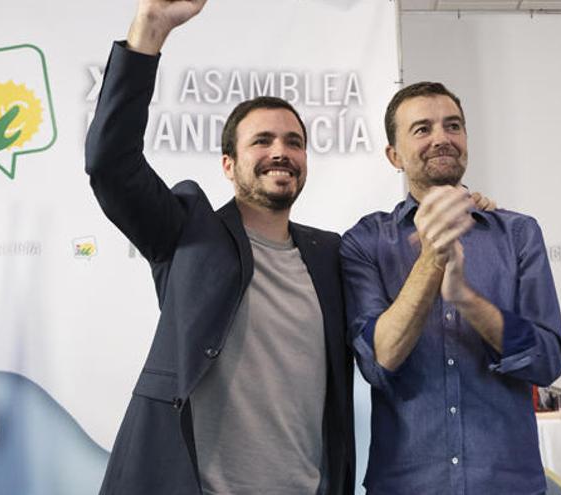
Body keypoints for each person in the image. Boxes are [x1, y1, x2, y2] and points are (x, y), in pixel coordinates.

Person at [84, 1, 354, 493]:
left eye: (294, 142)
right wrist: (149, 31)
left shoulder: (332, 254)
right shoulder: (186, 229)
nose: (281, 151)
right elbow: (110, 163)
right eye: (263, 140)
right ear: (228, 164)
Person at [340, 81, 561, 494]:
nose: (442, 138)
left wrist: (466, 298)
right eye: (422, 129)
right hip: (408, 484)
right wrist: (431, 258)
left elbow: (548, 360)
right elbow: (380, 360)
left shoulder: (517, 234)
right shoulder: (366, 242)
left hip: (506, 482)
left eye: (453, 126)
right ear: (394, 155)